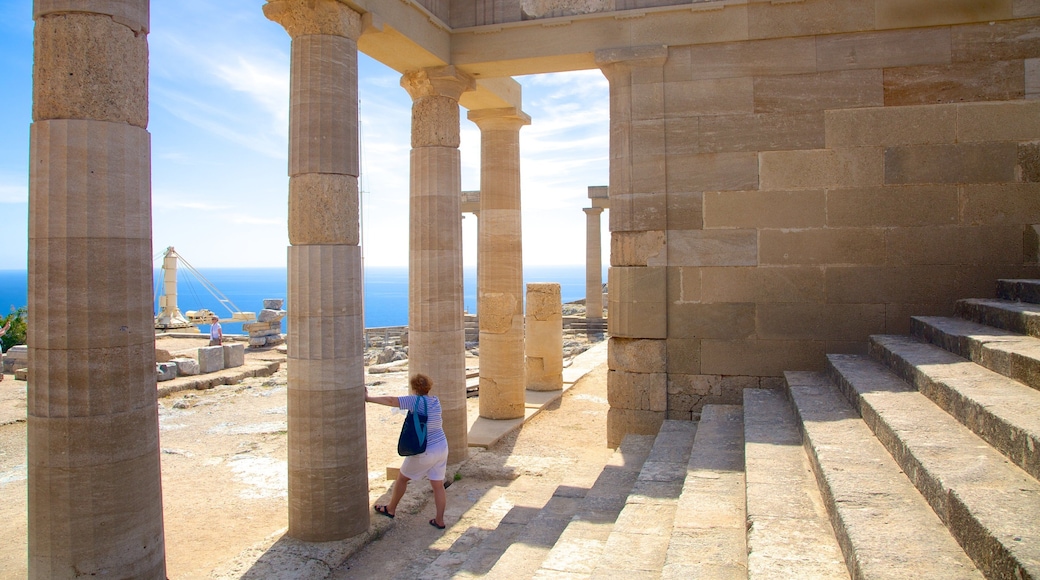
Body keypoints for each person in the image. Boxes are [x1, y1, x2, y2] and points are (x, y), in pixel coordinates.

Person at [365, 373, 449, 530]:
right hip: (442, 446)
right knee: (438, 485)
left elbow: (391, 401)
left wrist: (368, 398)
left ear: (414, 387)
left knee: (402, 478)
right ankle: (439, 520)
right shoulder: (435, 400)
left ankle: (390, 508)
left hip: (425, 449)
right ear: (429, 386)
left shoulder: (415, 400)